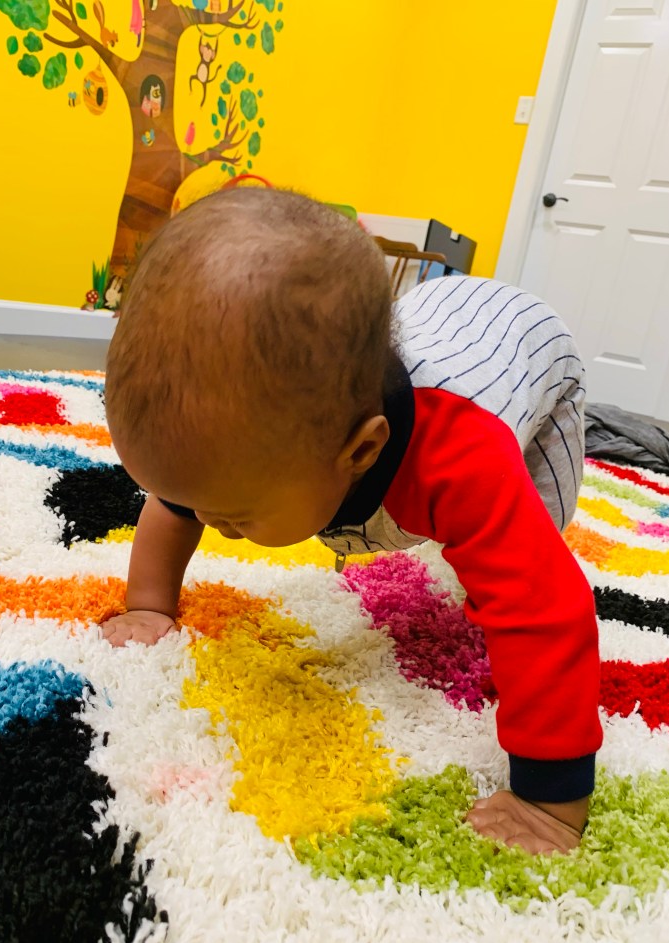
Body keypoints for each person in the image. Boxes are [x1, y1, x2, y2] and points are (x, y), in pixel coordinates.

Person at [102, 188, 602, 855]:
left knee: (524, 549)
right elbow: (176, 500)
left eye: (232, 517)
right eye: (192, 505)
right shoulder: (236, 446)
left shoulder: (464, 457)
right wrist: (148, 603)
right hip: (431, 315)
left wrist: (548, 798)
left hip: (535, 356)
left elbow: (544, 606)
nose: (202, 520)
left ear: (361, 452)